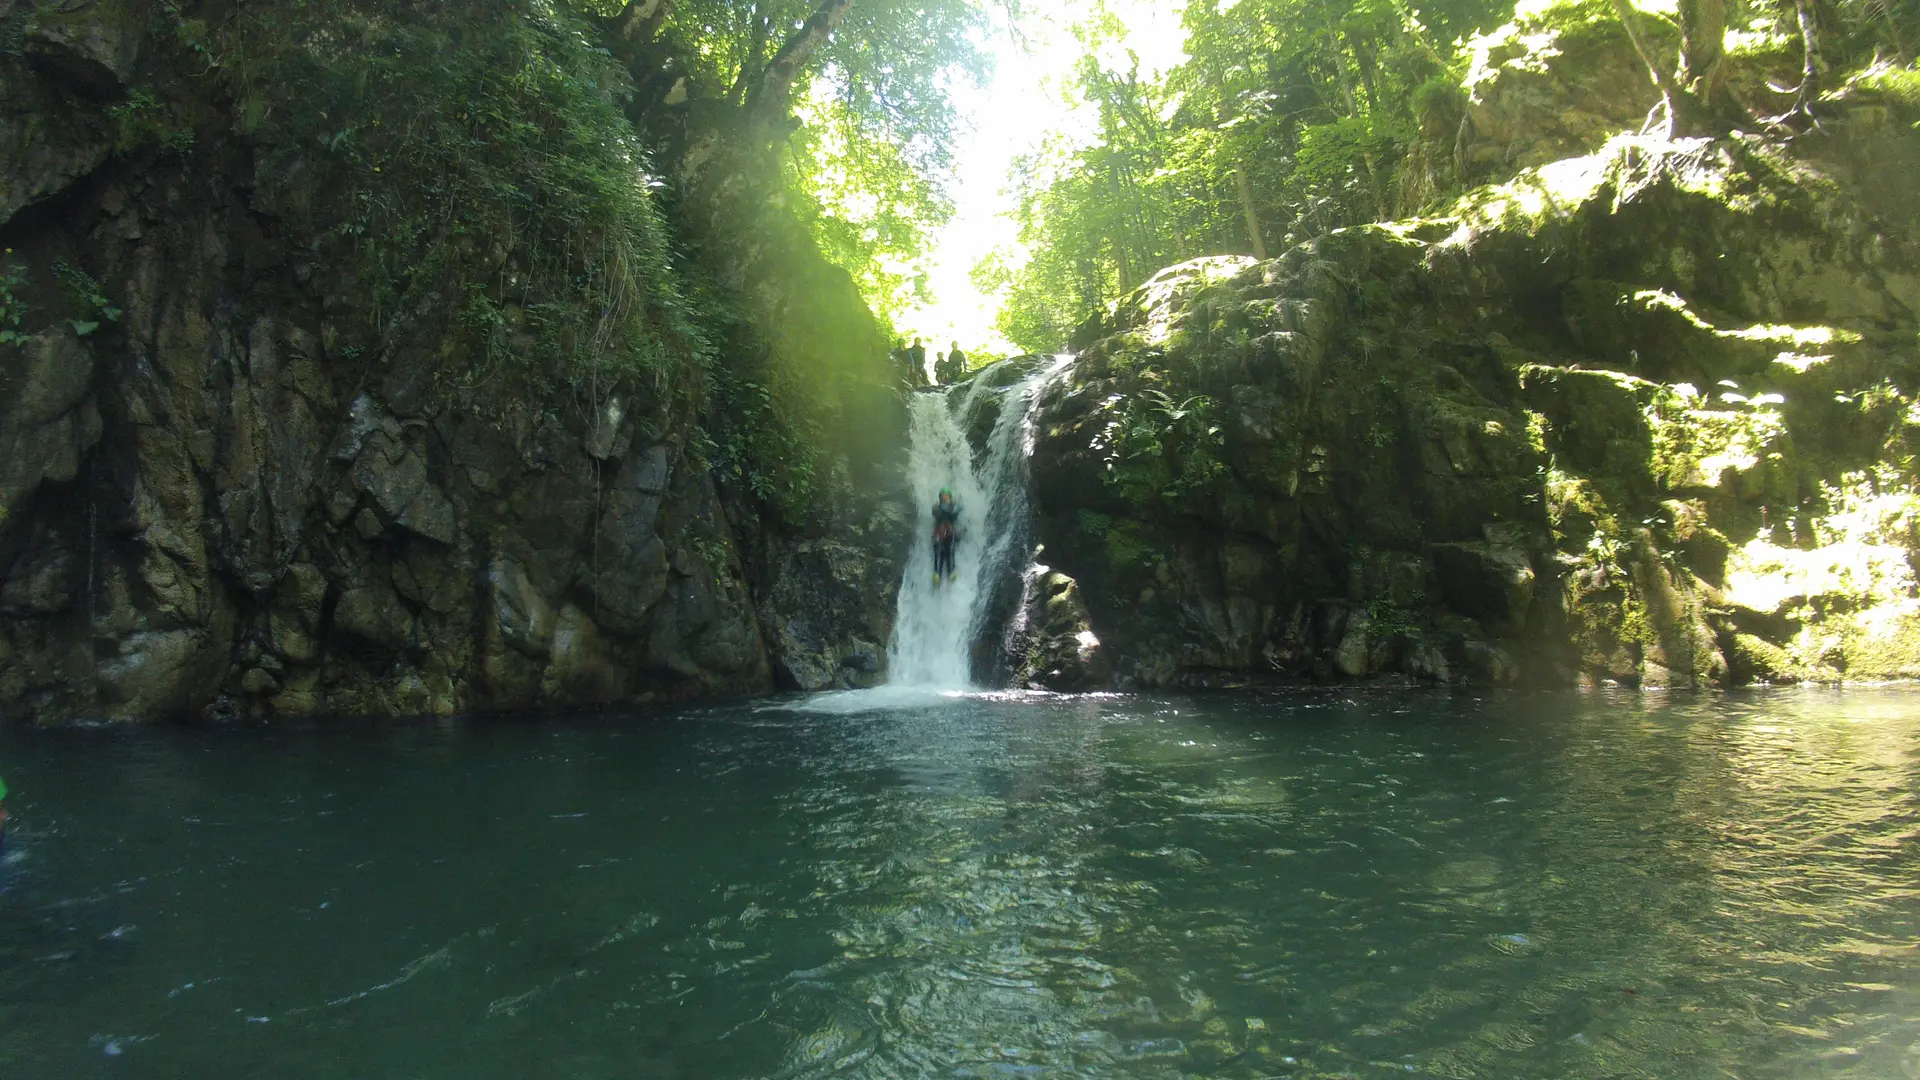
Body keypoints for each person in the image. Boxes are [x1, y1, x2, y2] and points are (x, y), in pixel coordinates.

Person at [931, 487, 959, 585]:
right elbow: (936, 514)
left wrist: (946, 509)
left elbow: (954, 514)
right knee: (938, 552)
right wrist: (943, 508)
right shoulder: (936, 507)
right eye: (943, 496)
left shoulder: (954, 506)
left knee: (950, 552)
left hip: (949, 535)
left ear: (950, 498)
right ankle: (937, 573)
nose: (945, 498)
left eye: (947, 496)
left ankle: (951, 572)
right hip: (938, 535)